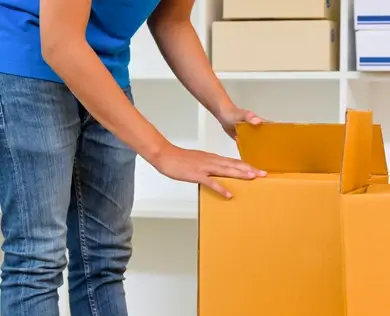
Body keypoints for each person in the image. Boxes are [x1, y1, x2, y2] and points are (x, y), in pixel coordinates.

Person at [0, 0, 267, 315]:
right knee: (38, 257)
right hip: (25, 61)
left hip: (106, 71)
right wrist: (163, 152)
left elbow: (172, 21)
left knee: (104, 257)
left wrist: (223, 107)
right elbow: (61, 42)